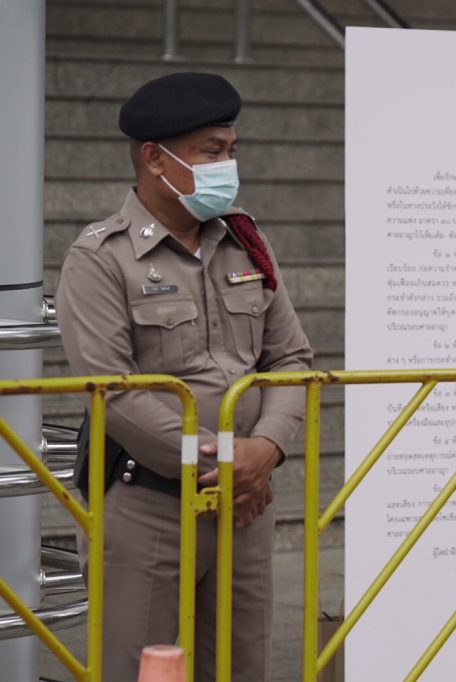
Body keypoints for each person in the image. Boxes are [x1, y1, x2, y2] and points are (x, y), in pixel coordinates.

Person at [56, 72, 313, 681]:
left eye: (232, 150)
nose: (229, 166)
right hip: (148, 504)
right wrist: (229, 460)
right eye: (212, 152)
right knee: (137, 669)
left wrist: (266, 449)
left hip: (245, 505)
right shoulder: (101, 258)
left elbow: (291, 359)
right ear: (155, 159)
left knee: (241, 668)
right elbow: (114, 392)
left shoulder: (246, 244)